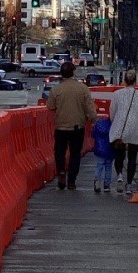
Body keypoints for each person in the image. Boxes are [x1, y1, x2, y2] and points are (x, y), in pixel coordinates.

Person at [47, 62, 98, 190]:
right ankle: (72, 180)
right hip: (77, 127)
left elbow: (50, 106)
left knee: (60, 153)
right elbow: (89, 108)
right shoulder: (83, 88)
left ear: (61, 74)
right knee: (75, 154)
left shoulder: (56, 90)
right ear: (74, 73)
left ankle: (61, 173)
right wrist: (94, 119)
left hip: (61, 127)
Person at [109, 69, 138, 194]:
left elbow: (112, 113)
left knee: (119, 155)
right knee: (132, 157)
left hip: (119, 128)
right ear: (135, 81)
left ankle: (119, 175)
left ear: (124, 80)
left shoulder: (117, 94)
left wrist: (116, 121)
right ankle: (129, 185)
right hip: (134, 127)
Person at [91, 116, 114, 193]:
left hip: (100, 148)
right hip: (109, 149)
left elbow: (93, 134)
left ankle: (97, 181)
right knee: (108, 166)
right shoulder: (113, 125)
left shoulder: (99, 124)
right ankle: (107, 185)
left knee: (99, 165)